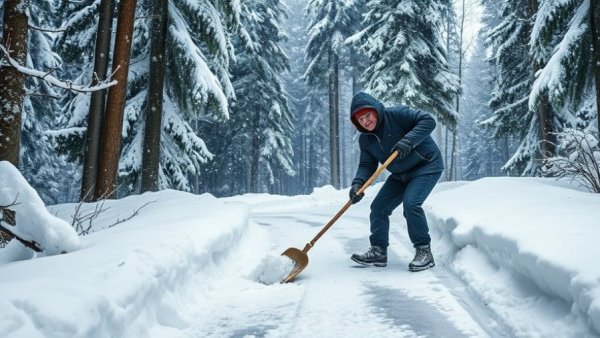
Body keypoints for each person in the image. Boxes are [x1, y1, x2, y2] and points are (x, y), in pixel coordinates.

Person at [348, 92, 444, 272]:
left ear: (375, 111)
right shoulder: (366, 140)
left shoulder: (397, 115)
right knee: (378, 207)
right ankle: (378, 251)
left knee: (411, 203)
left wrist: (409, 141)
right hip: (400, 174)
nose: (365, 122)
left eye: (367, 116)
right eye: (360, 120)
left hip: (426, 165)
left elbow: (428, 120)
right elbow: (367, 165)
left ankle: (424, 251)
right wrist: (358, 184)